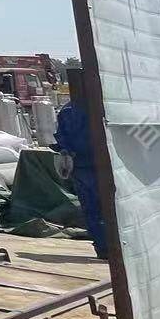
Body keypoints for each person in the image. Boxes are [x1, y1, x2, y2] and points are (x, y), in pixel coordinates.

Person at [55, 64, 107, 260]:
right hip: (103, 165)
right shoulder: (102, 106)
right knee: (109, 207)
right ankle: (110, 246)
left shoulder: (67, 110)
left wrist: (66, 153)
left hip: (81, 166)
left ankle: (103, 247)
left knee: (92, 209)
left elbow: (62, 139)